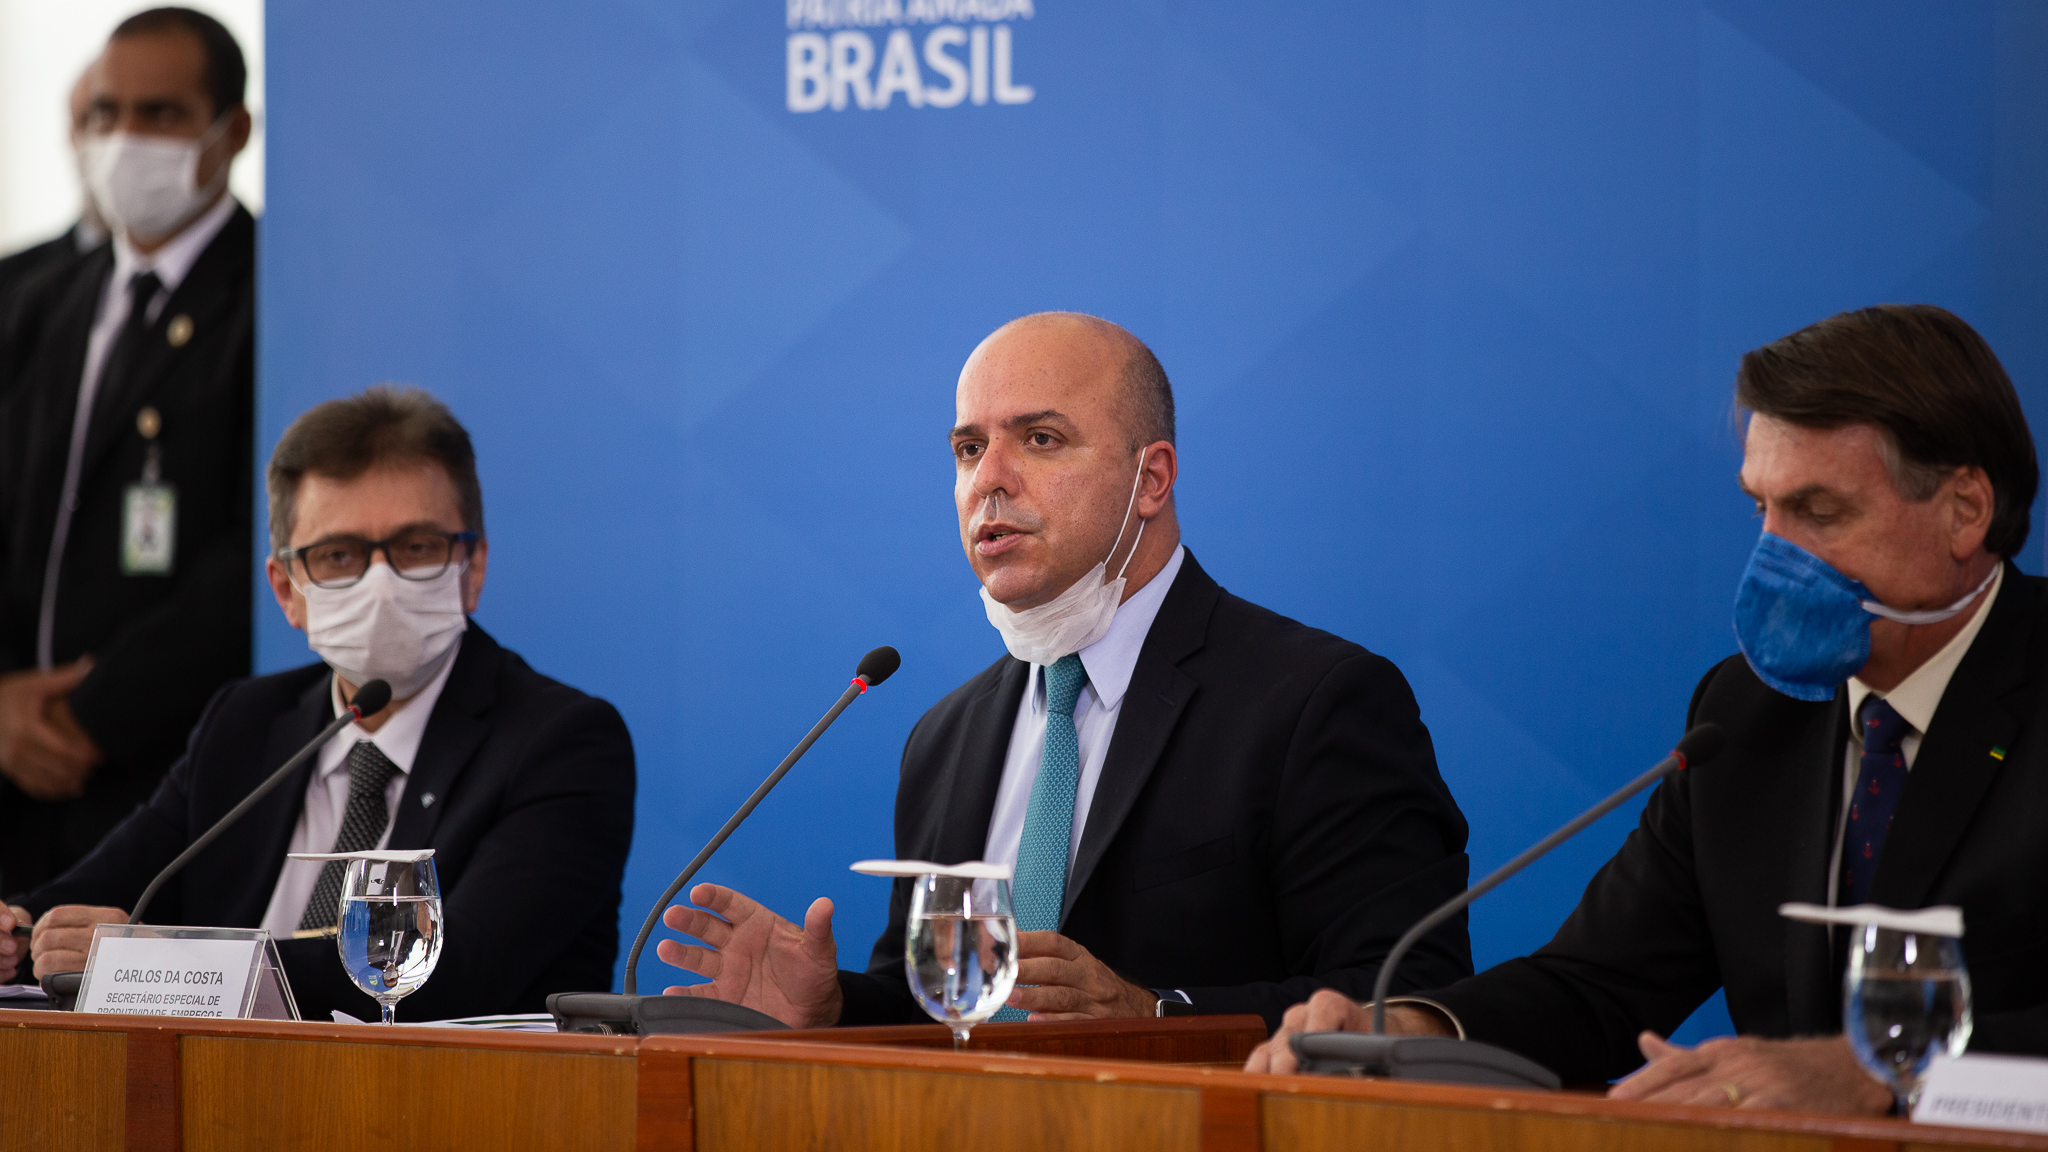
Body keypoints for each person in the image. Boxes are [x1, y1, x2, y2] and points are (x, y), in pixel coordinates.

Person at [1247, 304, 2047, 1113]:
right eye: (1760, 508)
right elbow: (1595, 984)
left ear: (1965, 510)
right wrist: (1405, 1031)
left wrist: (1885, 1070)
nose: (1773, 554)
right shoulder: (1748, 712)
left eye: (1818, 512)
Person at [654, 312, 1472, 1033]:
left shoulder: (1317, 701)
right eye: (968, 449)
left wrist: (1153, 1015)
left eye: (1040, 439)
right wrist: (835, 1006)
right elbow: (938, 1007)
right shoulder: (943, 738)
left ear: (1152, 478)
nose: (989, 479)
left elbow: (1409, 998)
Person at [2, 387, 637, 1021]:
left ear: (471, 567)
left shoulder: (563, 744)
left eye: (417, 547)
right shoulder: (246, 723)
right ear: (287, 591)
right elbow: (103, 888)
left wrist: (174, 963)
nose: (381, 584)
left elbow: (457, 972)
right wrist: (16, 929)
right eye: (339, 555)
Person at [0, 9, 258, 897]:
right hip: (15, 787)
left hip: (171, 785)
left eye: (161, 114)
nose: (125, 140)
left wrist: (91, 714)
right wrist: (4, 704)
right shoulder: (37, 301)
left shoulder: (273, 294)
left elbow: (255, 548)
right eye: (107, 113)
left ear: (233, 131)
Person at [0, 60, 110, 402]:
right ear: (71, 134)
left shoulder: (247, 273)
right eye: (100, 117)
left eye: (156, 114)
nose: (122, 137)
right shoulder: (13, 285)